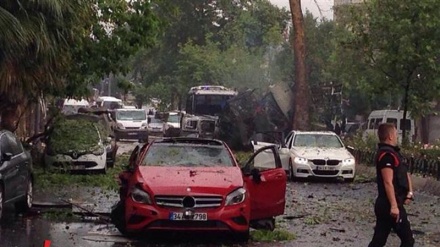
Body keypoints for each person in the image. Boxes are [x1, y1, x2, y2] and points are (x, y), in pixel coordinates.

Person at [368, 123, 415, 247]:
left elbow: (404, 173)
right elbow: (387, 182)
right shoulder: (386, 156)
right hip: (389, 204)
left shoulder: (395, 154)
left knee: (379, 241)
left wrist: (409, 193)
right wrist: (394, 206)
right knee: (408, 240)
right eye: (395, 134)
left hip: (392, 203)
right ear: (389, 136)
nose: (397, 136)